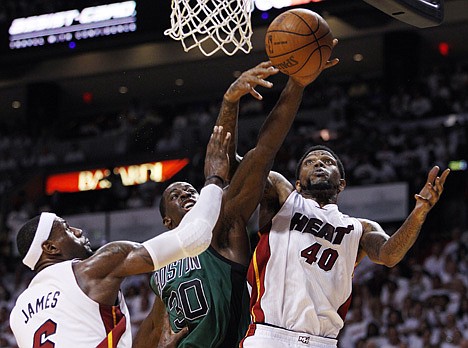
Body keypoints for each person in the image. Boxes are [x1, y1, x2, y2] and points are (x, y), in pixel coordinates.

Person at [134, 51, 340, 348]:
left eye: (191, 190)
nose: (188, 194)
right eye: (176, 196)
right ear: (167, 221)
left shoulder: (221, 225)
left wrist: (291, 84)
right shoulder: (160, 266)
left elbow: (262, 152)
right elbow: (153, 328)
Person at [9, 125, 231, 348]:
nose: (78, 232)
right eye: (67, 229)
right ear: (50, 248)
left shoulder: (18, 314)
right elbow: (195, 236)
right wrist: (215, 179)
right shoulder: (91, 270)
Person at [241, 144, 450, 347]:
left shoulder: (360, 228)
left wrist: (419, 213)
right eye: (310, 162)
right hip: (270, 334)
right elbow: (241, 169)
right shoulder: (283, 198)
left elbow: (389, 256)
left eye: (327, 161)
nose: (318, 164)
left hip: (322, 342)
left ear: (341, 184)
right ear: (298, 184)